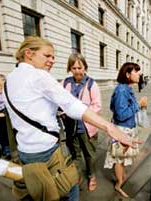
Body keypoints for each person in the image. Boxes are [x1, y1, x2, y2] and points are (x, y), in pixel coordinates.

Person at [4, 36, 139, 201]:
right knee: (69, 189)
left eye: (53, 57)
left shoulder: (8, 79)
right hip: (47, 150)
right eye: (47, 56)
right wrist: (110, 128)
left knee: (54, 182)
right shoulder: (40, 76)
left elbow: (29, 110)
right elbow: (70, 105)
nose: (52, 60)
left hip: (26, 150)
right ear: (29, 54)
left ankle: (89, 176)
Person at [104, 62, 147, 198]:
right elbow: (121, 115)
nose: (139, 74)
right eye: (136, 71)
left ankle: (122, 178)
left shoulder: (127, 88)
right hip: (122, 129)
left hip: (127, 128)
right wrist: (138, 104)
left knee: (122, 159)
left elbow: (114, 108)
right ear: (128, 74)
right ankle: (119, 184)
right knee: (119, 159)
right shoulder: (122, 90)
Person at [61, 53, 102, 192]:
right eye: (74, 68)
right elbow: (61, 101)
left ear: (85, 67)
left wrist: (82, 112)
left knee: (89, 154)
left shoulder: (92, 84)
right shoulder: (65, 83)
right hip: (70, 126)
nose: (77, 70)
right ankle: (76, 175)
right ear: (70, 69)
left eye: (80, 67)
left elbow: (97, 106)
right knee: (74, 153)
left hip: (86, 127)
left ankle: (92, 176)